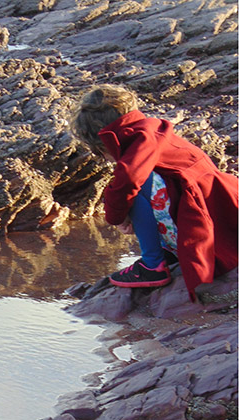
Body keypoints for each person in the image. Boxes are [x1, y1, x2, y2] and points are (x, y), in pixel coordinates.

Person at [71, 84, 238, 300]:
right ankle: (167, 252)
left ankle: (153, 265)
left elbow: (128, 181)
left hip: (207, 229)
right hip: (222, 224)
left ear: (105, 140)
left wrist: (116, 217)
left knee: (140, 185)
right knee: (148, 185)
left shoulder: (141, 143)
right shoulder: (154, 131)